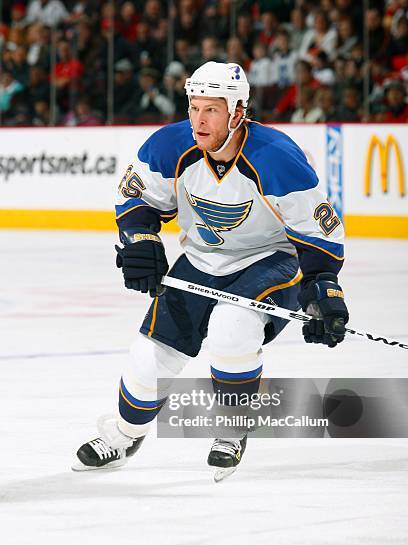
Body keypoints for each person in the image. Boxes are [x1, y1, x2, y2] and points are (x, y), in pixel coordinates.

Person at [73, 62, 348, 476]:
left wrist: (323, 287)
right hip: (200, 258)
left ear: (238, 111)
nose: (199, 120)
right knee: (148, 359)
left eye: (212, 110)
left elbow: (317, 230)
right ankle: (126, 434)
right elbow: (138, 200)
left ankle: (234, 429)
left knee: (232, 327)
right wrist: (141, 239)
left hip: (268, 260)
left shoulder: (276, 156)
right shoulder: (170, 145)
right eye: (194, 107)